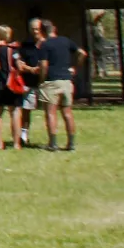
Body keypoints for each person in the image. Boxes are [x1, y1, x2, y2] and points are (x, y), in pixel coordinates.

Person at [34, 21, 87, 151]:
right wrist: (75, 67)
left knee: (51, 113)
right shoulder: (65, 41)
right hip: (66, 81)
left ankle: (53, 143)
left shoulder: (45, 45)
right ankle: (71, 143)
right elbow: (82, 53)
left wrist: (41, 80)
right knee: (67, 112)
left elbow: (44, 65)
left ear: (42, 31)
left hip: (52, 81)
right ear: (55, 29)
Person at [13, 21, 46, 148]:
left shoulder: (47, 44)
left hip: (46, 83)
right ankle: (24, 135)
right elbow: (19, 62)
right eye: (33, 29)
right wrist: (30, 69)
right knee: (26, 110)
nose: (35, 31)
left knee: (49, 111)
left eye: (37, 29)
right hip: (29, 83)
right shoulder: (25, 45)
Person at [0, 25, 20, 149]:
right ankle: (16, 143)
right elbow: (18, 67)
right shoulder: (13, 49)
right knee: (15, 112)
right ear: (7, 35)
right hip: (11, 84)